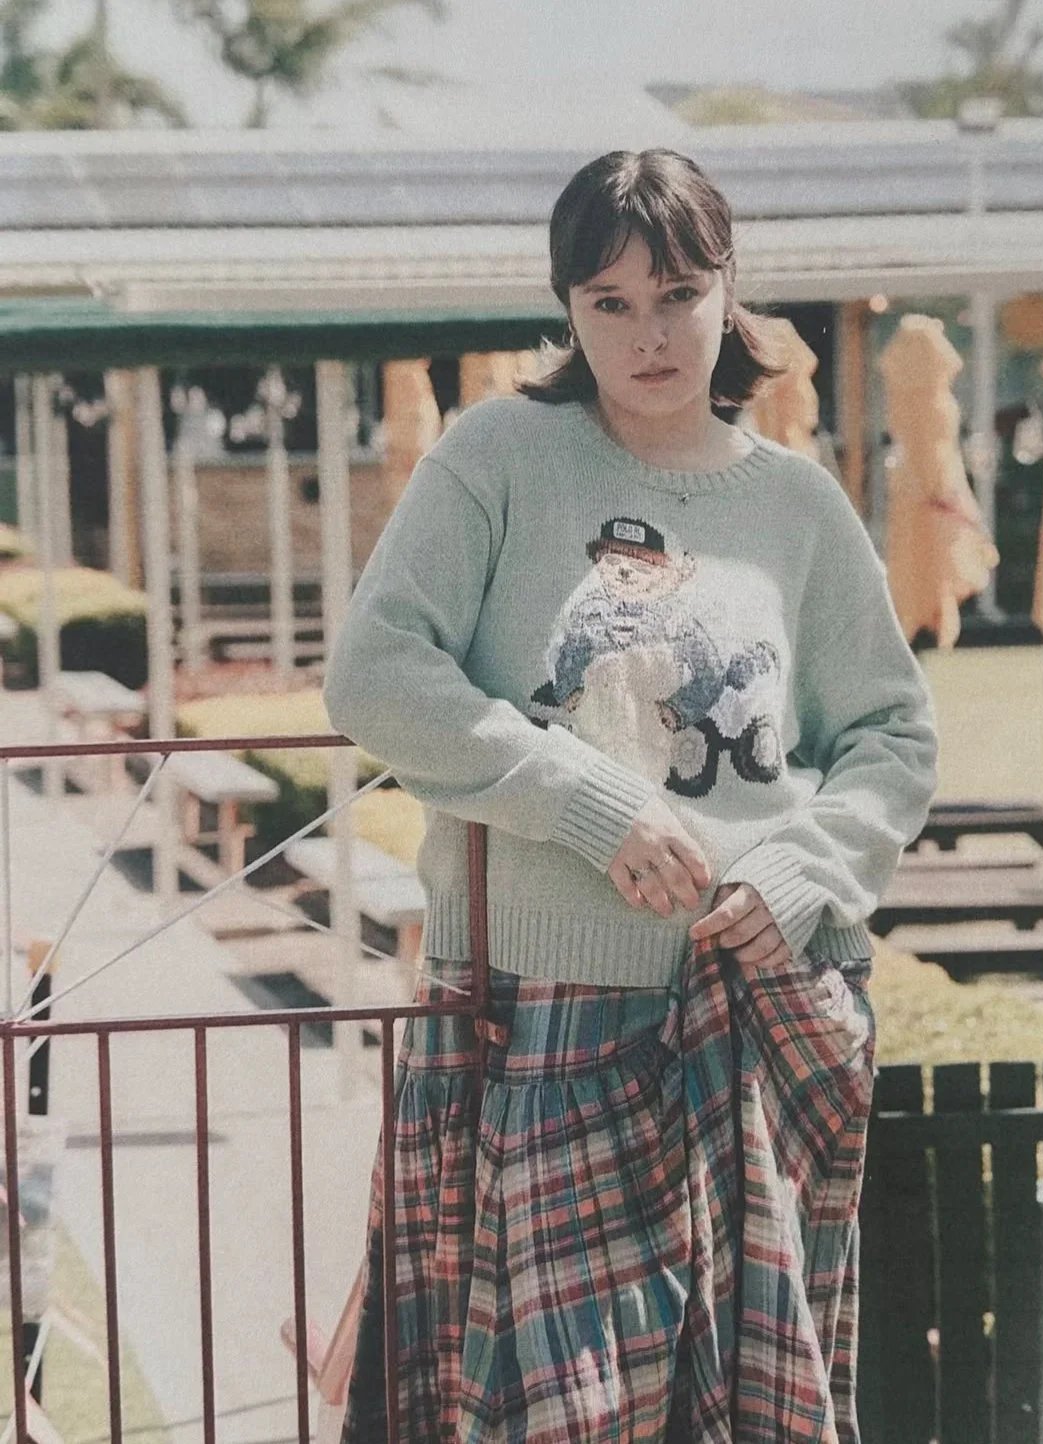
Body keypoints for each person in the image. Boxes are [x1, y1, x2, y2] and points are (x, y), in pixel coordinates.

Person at [323, 148, 939, 1444]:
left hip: (763, 1021)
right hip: (542, 1024)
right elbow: (377, 672)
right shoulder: (499, 455)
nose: (649, 335)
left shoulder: (798, 504)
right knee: (561, 1413)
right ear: (568, 309)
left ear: (730, 291)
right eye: (609, 303)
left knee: (749, 1415)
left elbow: (892, 734)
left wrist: (799, 870)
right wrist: (586, 803)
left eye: (677, 294)